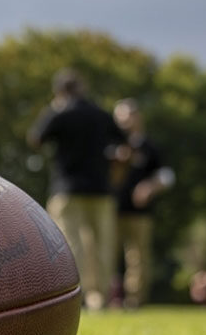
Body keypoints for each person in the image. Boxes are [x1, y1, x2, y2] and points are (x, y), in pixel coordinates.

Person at [29, 69, 124, 311]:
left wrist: (53, 108)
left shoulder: (59, 113)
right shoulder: (101, 114)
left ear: (59, 91)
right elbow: (124, 144)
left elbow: (36, 138)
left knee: (71, 244)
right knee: (102, 245)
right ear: (82, 88)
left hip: (67, 188)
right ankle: (100, 298)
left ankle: (74, 296)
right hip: (101, 189)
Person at [111, 99, 173, 311]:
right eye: (118, 117)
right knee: (107, 255)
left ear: (137, 117)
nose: (122, 121)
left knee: (138, 258)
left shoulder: (150, 146)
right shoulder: (113, 145)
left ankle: (134, 301)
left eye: (126, 116)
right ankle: (108, 298)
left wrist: (150, 186)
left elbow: (167, 175)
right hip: (112, 210)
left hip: (140, 213)